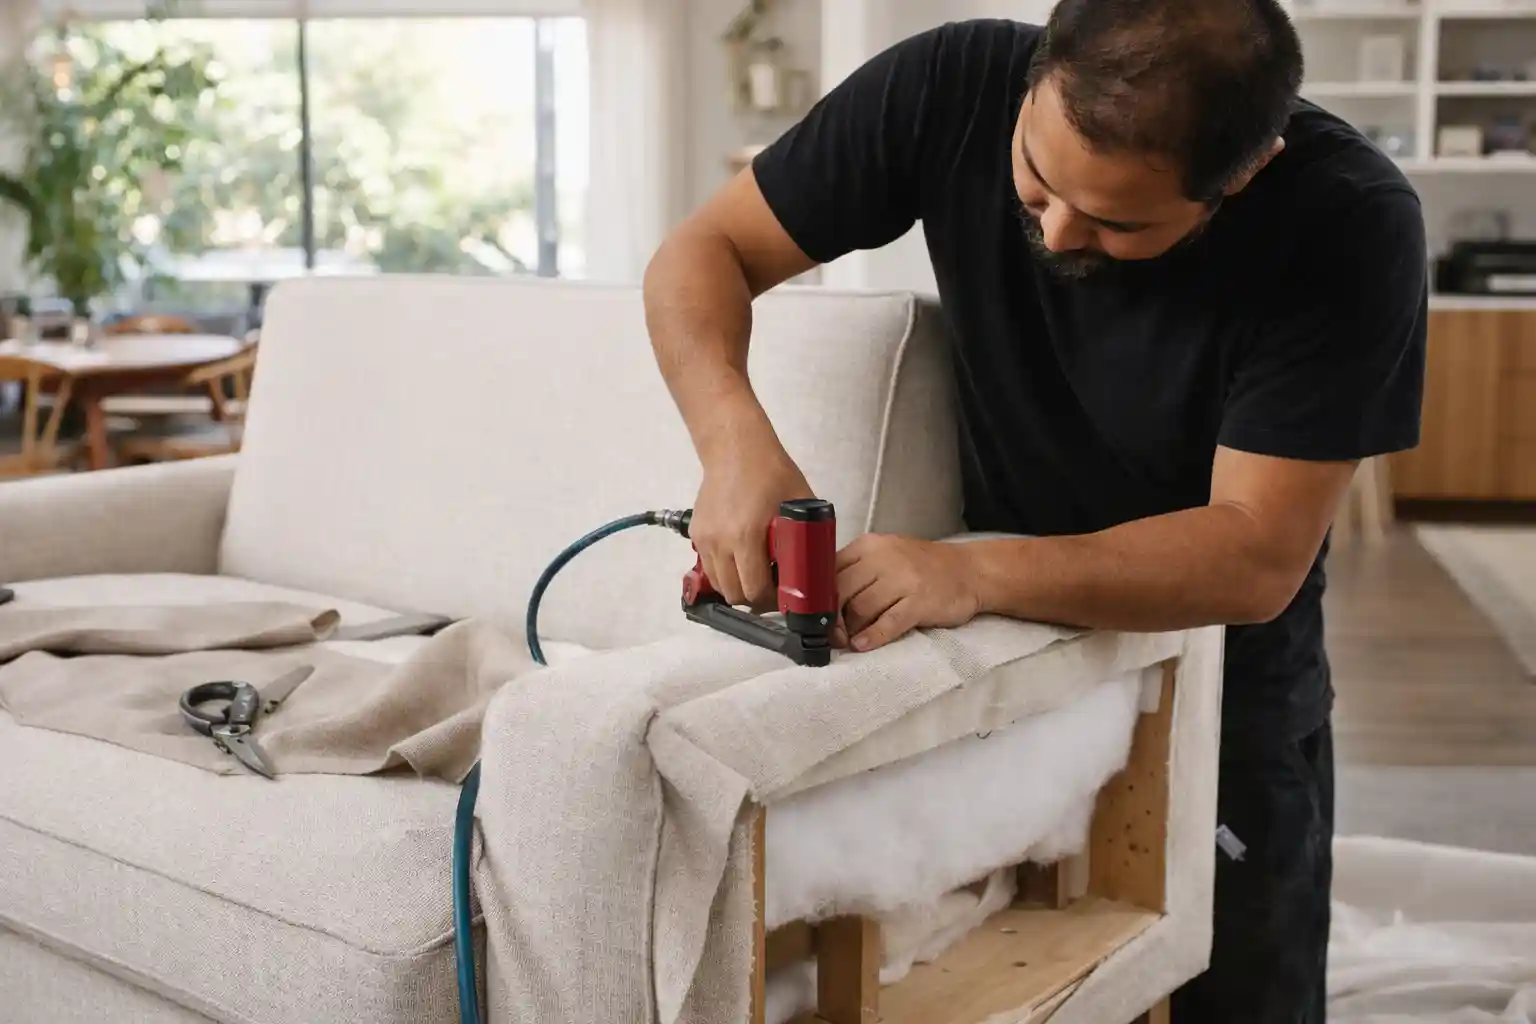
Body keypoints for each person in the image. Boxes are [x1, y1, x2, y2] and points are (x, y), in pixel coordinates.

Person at [641, 0, 1427, 1019]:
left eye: (1118, 221)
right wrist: (734, 442)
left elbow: (1253, 555)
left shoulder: (1351, 221)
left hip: (1223, 686)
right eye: (1037, 177)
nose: (1056, 230)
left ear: (1242, 175)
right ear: (1036, 80)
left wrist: (968, 571)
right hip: (1005, 676)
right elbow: (702, 253)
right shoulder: (950, 84)